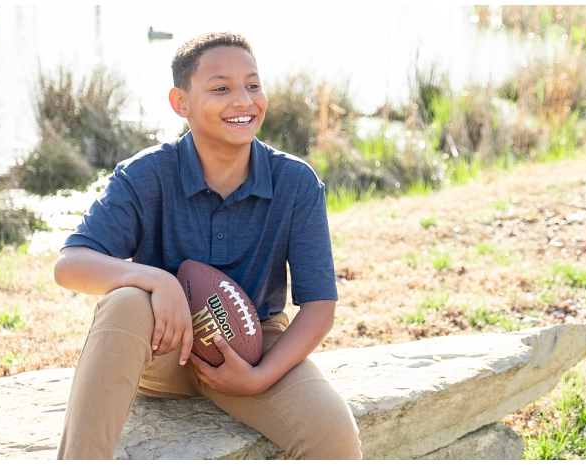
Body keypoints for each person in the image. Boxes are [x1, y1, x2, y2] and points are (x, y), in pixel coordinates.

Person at [53, 31, 362, 459]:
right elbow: (70, 264)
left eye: (253, 85)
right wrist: (157, 281)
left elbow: (319, 306)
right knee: (125, 301)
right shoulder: (144, 175)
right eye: (221, 88)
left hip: (253, 348)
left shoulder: (295, 182)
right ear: (181, 103)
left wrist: (260, 376)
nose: (244, 100)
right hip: (164, 350)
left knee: (332, 435)